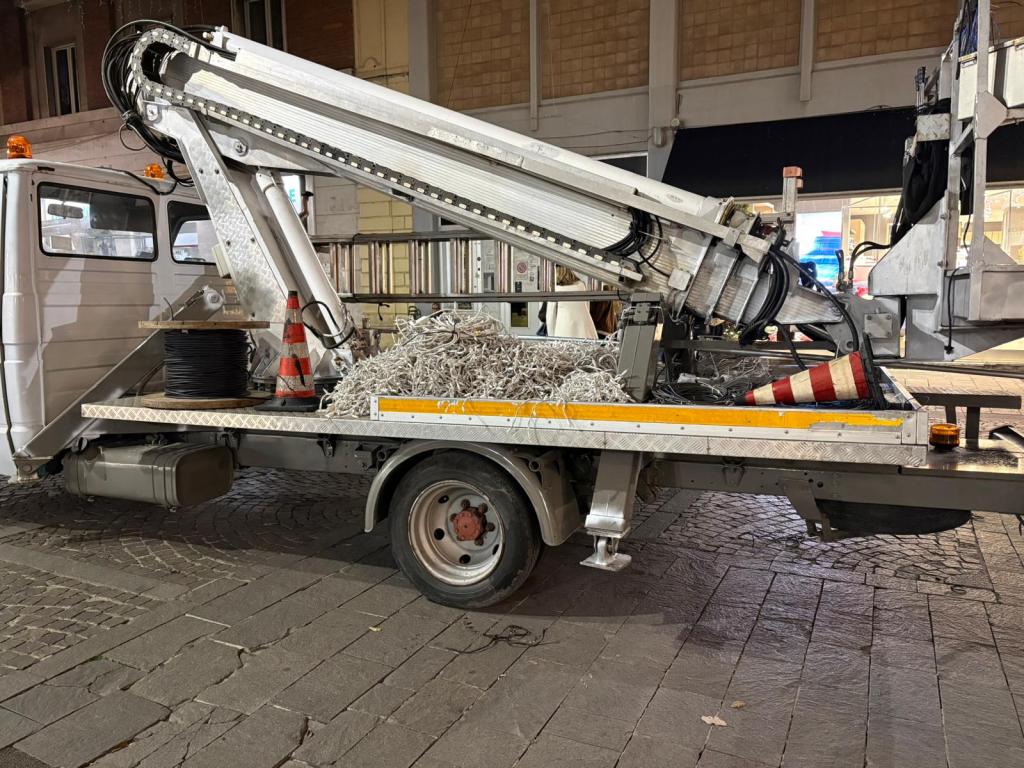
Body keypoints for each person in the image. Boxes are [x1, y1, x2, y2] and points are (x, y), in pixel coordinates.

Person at [546, 266, 598, 339]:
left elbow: (550, 316)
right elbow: (586, 306)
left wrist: (551, 337)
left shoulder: (555, 289)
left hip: (564, 329)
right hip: (584, 328)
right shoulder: (581, 285)